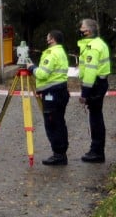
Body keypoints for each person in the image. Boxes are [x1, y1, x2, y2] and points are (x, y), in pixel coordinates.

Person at [28, 29, 71, 165]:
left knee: (53, 124)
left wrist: (31, 68)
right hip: (60, 91)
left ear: (52, 39)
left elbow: (42, 74)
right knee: (59, 123)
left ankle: (58, 155)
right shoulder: (61, 52)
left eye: (47, 37)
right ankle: (61, 153)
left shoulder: (51, 53)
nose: (46, 40)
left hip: (53, 94)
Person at [77, 18, 111, 163]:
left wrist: (85, 93)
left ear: (89, 31)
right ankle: (96, 150)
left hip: (95, 85)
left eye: (82, 28)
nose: (80, 30)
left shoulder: (93, 47)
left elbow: (90, 71)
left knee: (96, 119)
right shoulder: (95, 44)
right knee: (95, 117)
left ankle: (97, 152)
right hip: (98, 84)